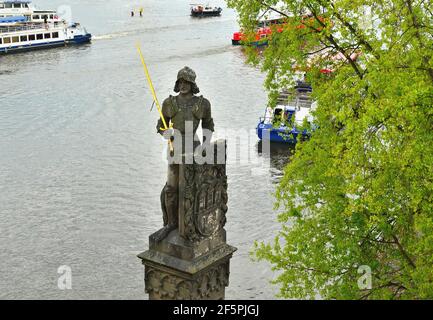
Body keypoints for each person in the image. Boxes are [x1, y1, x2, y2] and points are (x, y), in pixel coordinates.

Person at [155, 66, 214, 240]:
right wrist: (165, 132)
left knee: (191, 188)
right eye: (180, 81)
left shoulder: (202, 104)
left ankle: (191, 223)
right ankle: (171, 224)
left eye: (186, 82)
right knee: (171, 188)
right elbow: (161, 124)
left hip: (194, 149)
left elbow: (208, 125)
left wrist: (206, 145)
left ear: (192, 84)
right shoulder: (169, 103)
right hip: (175, 148)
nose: (183, 85)